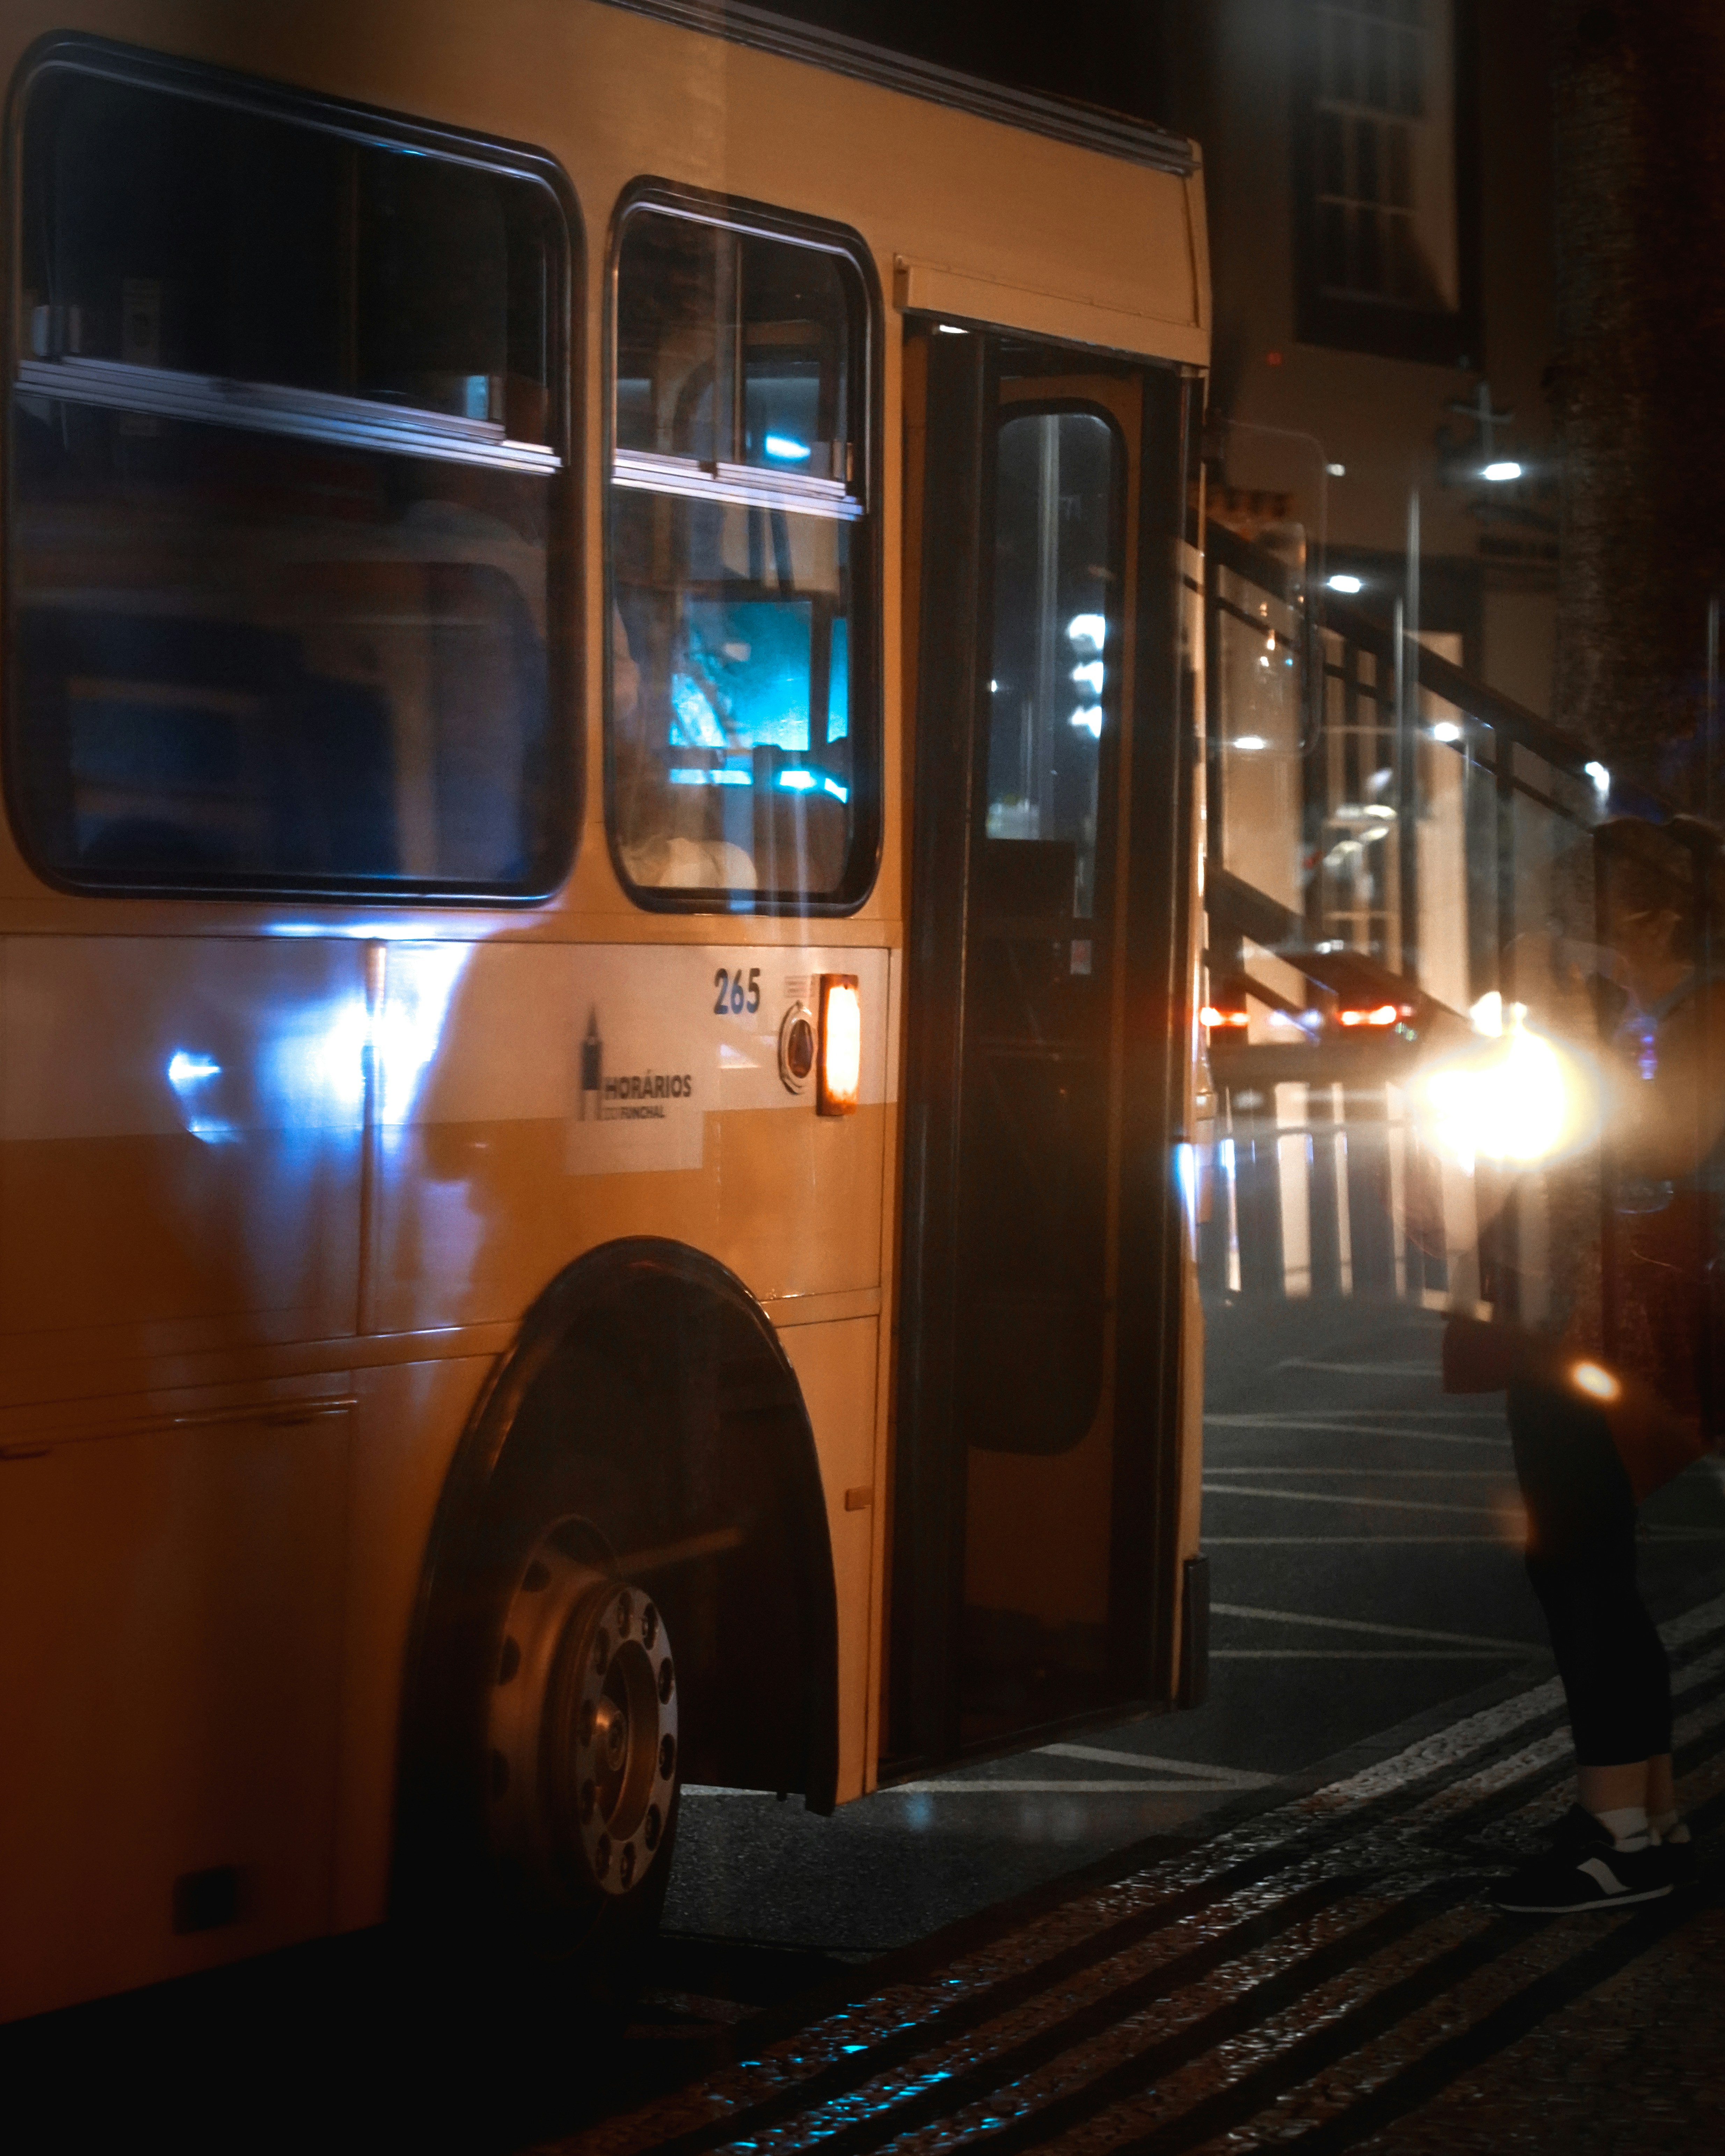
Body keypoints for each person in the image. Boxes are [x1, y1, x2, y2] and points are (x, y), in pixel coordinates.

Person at [1489, 816, 1722, 1914]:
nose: (1554, 925)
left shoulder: (1702, 1008)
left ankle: (1614, 1831)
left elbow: (1664, 1146)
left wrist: (1568, 1042)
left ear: (1650, 913)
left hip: (1641, 1315)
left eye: (1577, 904)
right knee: (1583, 1559)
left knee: (1581, 1557)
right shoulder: (1611, 1009)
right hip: (1584, 1296)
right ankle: (1646, 1812)